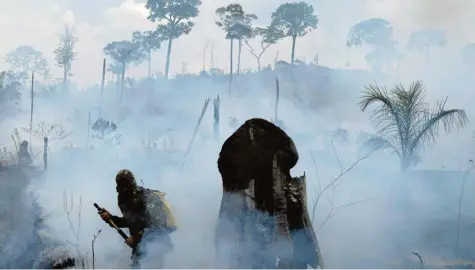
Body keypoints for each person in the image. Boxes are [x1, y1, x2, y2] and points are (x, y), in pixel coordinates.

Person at [99, 169, 175, 268]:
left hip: (155, 247)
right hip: (140, 248)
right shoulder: (125, 199)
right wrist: (110, 219)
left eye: (125, 184)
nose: (124, 190)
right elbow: (130, 221)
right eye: (121, 185)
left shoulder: (147, 197)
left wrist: (136, 238)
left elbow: (158, 225)